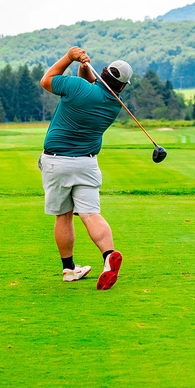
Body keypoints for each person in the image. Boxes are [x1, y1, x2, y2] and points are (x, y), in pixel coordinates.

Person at [39, 46, 133, 290]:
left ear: (102, 74)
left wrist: (69, 57)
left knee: (64, 214)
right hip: (87, 163)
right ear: (122, 86)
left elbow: (46, 80)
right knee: (90, 214)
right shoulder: (115, 104)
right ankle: (108, 255)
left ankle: (69, 269)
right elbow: (91, 89)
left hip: (56, 161)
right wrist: (83, 67)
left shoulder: (76, 87)